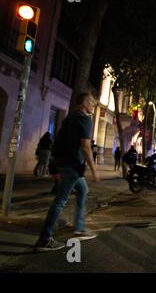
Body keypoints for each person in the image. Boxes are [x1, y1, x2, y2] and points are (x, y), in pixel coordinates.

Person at [34, 93, 100, 252]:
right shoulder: (85, 119)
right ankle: (44, 239)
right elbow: (85, 146)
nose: (93, 106)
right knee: (60, 201)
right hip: (73, 166)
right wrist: (94, 169)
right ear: (84, 103)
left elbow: (59, 140)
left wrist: (55, 166)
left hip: (64, 163)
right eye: (92, 103)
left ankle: (80, 227)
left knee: (83, 190)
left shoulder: (70, 117)